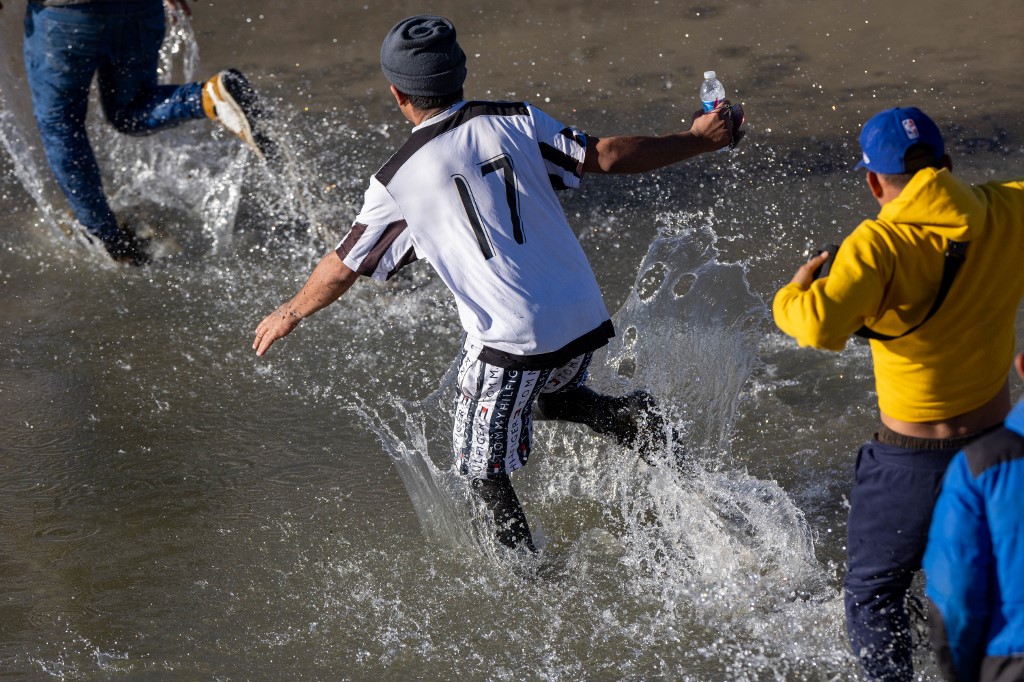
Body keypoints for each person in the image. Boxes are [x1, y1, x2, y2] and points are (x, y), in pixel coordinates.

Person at [253, 15, 743, 552]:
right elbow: (605, 155)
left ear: (398, 94)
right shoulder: (515, 118)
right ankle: (633, 420)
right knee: (549, 395)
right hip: (580, 313)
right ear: (461, 73)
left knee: (477, 466)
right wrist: (698, 139)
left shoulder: (397, 178)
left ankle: (527, 583)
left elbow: (343, 265)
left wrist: (290, 312)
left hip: (510, 337)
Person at [772, 106, 1024, 680]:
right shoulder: (1009, 209)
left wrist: (792, 292)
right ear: (949, 165)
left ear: (872, 182)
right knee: (986, 581)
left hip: (910, 463)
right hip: (998, 450)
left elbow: (815, 326)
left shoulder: (876, 244)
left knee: (873, 592)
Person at [10, 0, 272, 265]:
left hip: (66, 14)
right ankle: (208, 96)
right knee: (131, 108)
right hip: (140, 7)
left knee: (61, 124)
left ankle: (106, 238)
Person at [923, 352, 1024, 682]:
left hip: (1010, 659)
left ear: (1021, 366)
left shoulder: (980, 464)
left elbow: (954, 594)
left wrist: (963, 674)